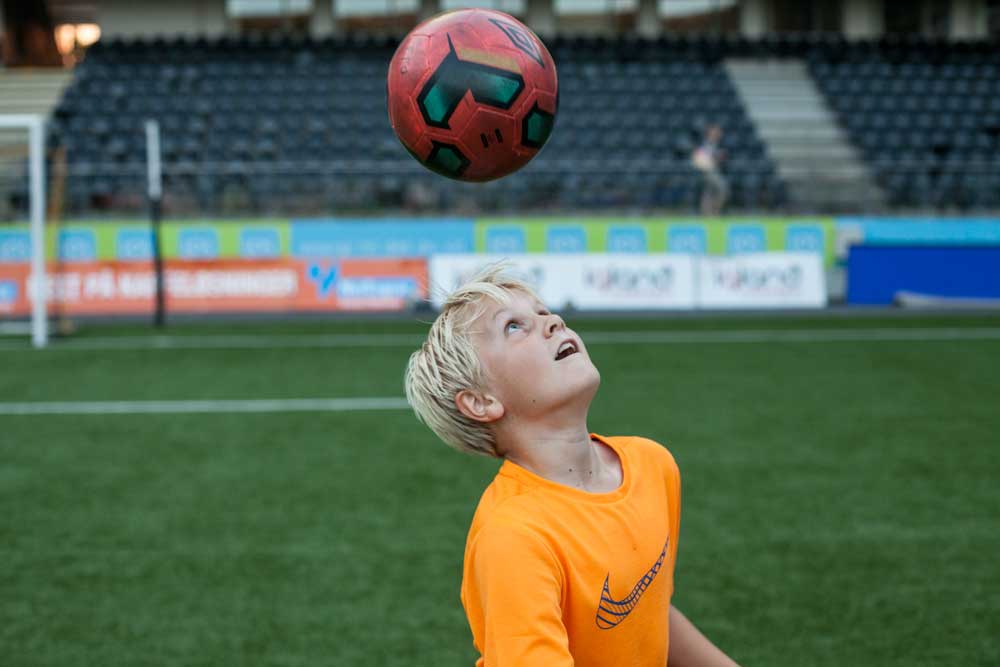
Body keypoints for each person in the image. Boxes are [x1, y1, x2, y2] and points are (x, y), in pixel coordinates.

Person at [405, 264, 740, 667]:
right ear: (481, 401)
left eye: (544, 312)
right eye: (514, 327)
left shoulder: (652, 463)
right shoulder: (514, 537)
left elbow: (650, 614)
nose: (552, 322)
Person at [692, 124, 729, 216]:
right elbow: (697, 158)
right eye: (715, 132)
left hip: (716, 171)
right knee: (718, 189)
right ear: (710, 133)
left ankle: (712, 212)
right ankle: (710, 212)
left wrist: (719, 158)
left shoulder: (720, 145)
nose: (718, 134)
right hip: (705, 171)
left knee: (710, 192)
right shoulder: (704, 144)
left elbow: (723, 158)